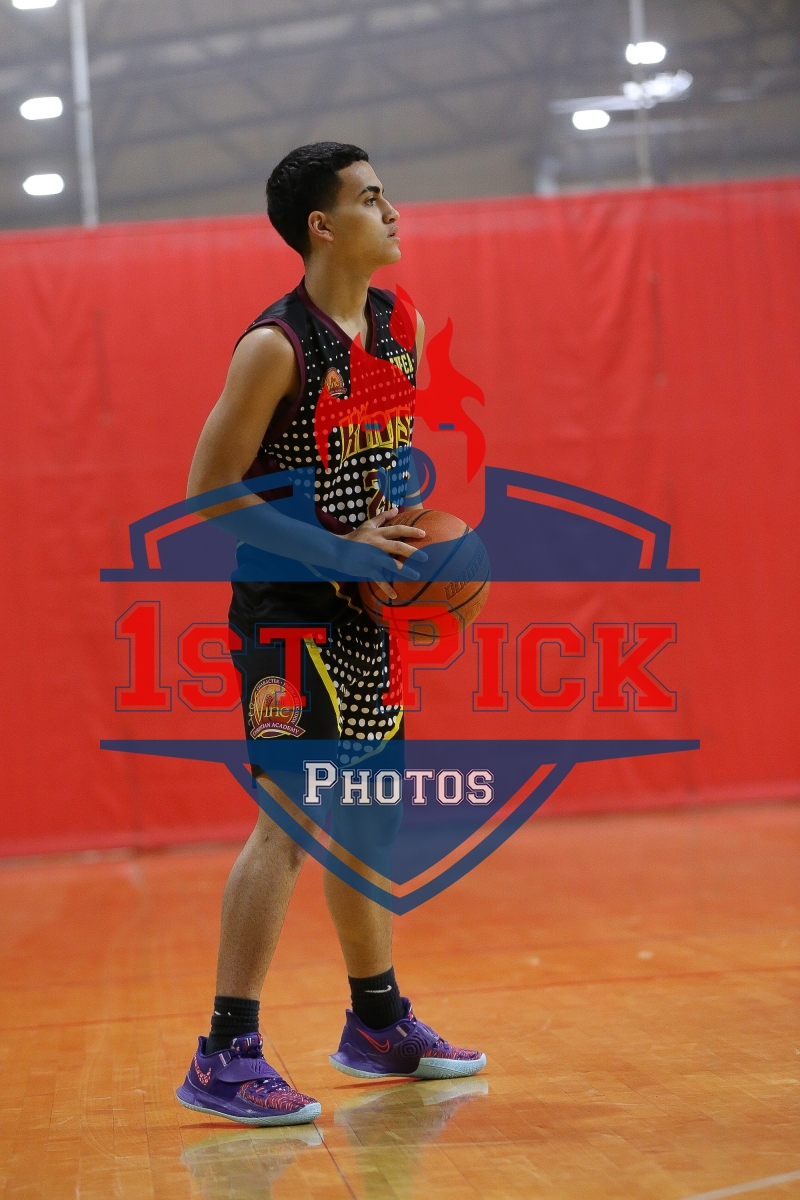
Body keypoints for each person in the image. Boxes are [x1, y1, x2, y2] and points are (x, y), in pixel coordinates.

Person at [175, 142, 486, 1127]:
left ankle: (377, 1023)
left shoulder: (400, 325)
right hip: (286, 614)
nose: (392, 212)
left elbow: (385, 460)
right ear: (322, 225)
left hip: (363, 610)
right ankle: (224, 1053)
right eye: (371, 198)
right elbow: (208, 494)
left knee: (367, 821)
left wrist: (416, 546)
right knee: (289, 823)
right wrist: (336, 552)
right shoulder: (275, 346)